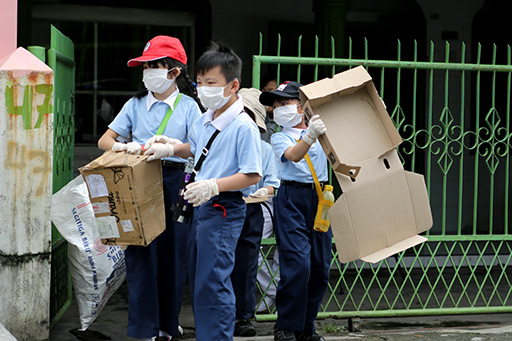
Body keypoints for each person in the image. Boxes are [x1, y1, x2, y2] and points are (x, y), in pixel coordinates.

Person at [144, 43, 262, 341]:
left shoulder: (242, 126)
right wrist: (169, 147)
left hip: (224, 208)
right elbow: (195, 149)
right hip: (202, 208)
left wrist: (213, 186)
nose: (203, 89)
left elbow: (252, 175)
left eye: (211, 83)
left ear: (233, 85)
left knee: (213, 282)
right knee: (199, 282)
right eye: (199, 83)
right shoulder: (206, 117)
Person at [97, 35, 202, 341]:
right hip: (138, 179)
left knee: (172, 257)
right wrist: (126, 146)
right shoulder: (135, 104)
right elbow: (105, 140)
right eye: (145, 67)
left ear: (174, 72)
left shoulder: (189, 107)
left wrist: (171, 150)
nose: (147, 73)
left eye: (154, 66)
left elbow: (197, 147)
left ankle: (167, 327)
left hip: (175, 182)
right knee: (140, 255)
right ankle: (143, 330)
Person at [259, 81, 332, 341]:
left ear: (301, 106)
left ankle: (305, 329)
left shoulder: (323, 130)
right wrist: (310, 135)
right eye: (275, 105)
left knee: (320, 267)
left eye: (283, 103)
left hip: (321, 198)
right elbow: (293, 155)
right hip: (291, 198)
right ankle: (286, 326)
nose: (277, 109)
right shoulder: (280, 136)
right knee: (298, 264)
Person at [231, 88, 279, 337]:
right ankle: (221, 314)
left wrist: (265, 190)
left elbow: (272, 181)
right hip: (224, 205)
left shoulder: (265, 149)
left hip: (251, 210)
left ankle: (243, 317)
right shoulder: (223, 139)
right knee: (218, 264)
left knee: (246, 265)